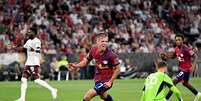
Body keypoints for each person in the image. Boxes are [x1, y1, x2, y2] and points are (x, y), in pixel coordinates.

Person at [69, 33, 120, 101]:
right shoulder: (93, 50)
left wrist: (110, 82)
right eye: (102, 41)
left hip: (106, 81)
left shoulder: (111, 55)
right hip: (98, 79)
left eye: (106, 41)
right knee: (103, 96)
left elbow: (118, 69)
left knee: (87, 96)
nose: (105, 43)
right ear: (97, 41)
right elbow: (85, 61)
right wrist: (76, 65)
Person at [15, 28, 57, 101]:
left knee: (37, 80)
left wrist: (29, 48)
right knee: (23, 79)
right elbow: (23, 48)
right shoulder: (28, 41)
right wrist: (15, 47)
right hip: (28, 63)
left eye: (30, 32)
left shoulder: (37, 41)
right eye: (28, 32)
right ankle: (22, 98)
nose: (28, 33)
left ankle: (53, 89)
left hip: (34, 63)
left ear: (34, 33)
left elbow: (37, 51)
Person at [160, 34, 201, 101]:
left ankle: (166, 99)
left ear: (183, 40)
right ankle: (197, 94)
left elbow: (195, 56)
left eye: (179, 40)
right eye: (176, 40)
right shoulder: (176, 48)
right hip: (181, 69)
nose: (177, 41)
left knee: (174, 82)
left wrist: (193, 66)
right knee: (185, 83)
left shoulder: (186, 49)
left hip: (186, 69)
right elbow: (173, 56)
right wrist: (166, 56)